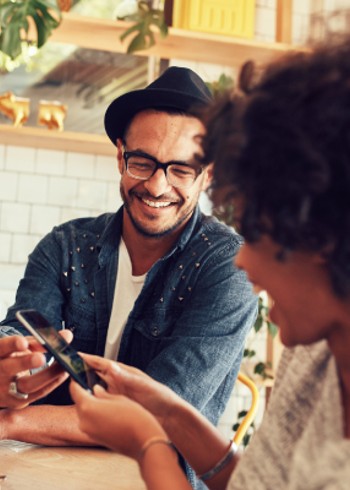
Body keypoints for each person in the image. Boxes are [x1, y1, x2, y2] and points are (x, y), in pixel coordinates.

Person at [69, 37, 350, 489]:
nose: (244, 259)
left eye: (258, 229)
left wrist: (148, 441)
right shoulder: (316, 358)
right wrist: (164, 409)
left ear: (326, 232)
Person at [0, 67, 257, 488]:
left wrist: (11, 422)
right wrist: (11, 367)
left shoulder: (228, 266)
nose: (157, 185)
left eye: (181, 169)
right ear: (121, 155)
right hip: (46, 472)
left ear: (207, 173)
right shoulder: (64, 246)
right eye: (142, 162)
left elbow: (161, 412)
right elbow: (21, 330)